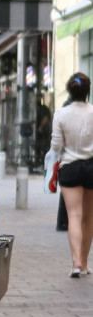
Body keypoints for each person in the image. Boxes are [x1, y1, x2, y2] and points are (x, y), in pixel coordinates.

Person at [50, 71, 93, 277]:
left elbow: (56, 146)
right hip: (92, 167)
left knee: (74, 216)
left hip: (70, 167)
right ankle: (84, 263)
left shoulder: (61, 114)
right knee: (89, 217)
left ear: (69, 91)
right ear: (88, 92)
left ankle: (76, 263)